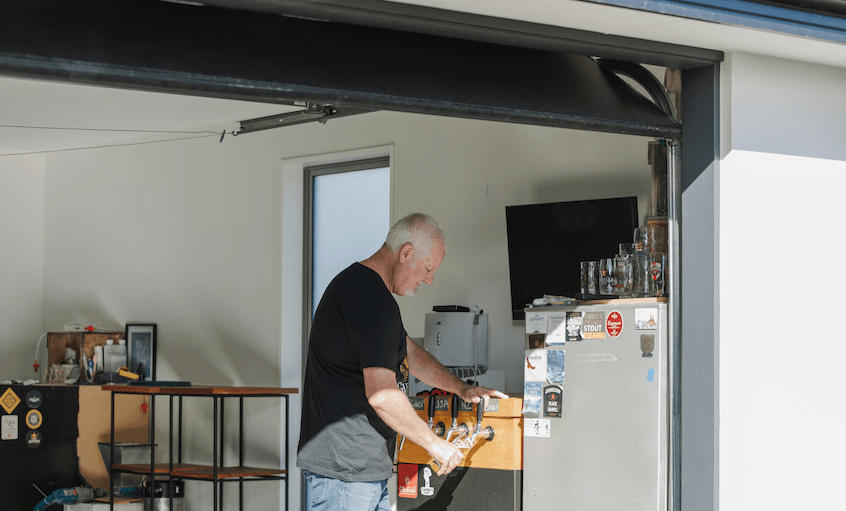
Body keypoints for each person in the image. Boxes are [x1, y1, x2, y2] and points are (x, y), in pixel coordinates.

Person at [297, 212, 508, 511]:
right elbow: (382, 395)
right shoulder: (371, 299)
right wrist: (434, 444)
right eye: (428, 269)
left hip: (362, 468)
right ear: (406, 253)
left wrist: (461, 388)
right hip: (347, 471)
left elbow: (409, 353)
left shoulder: (364, 290)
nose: (429, 279)